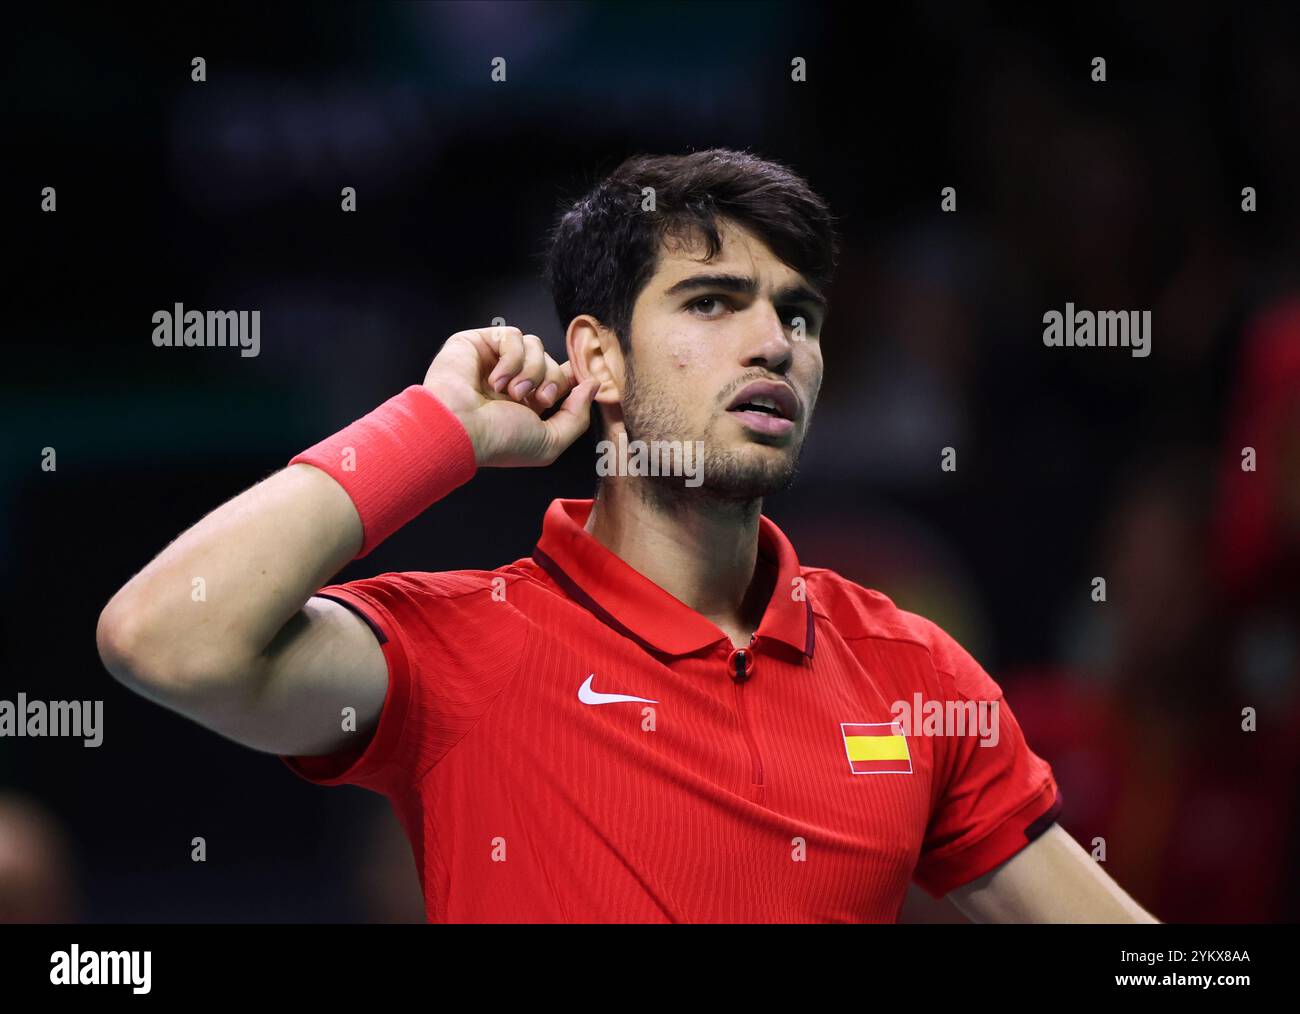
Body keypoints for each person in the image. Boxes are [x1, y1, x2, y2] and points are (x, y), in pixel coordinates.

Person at [96, 149, 1156, 923]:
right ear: (596, 361)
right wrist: (436, 432)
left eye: (799, 315)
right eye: (711, 301)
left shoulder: (910, 672)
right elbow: (163, 636)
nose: (773, 346)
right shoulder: (463, 649)